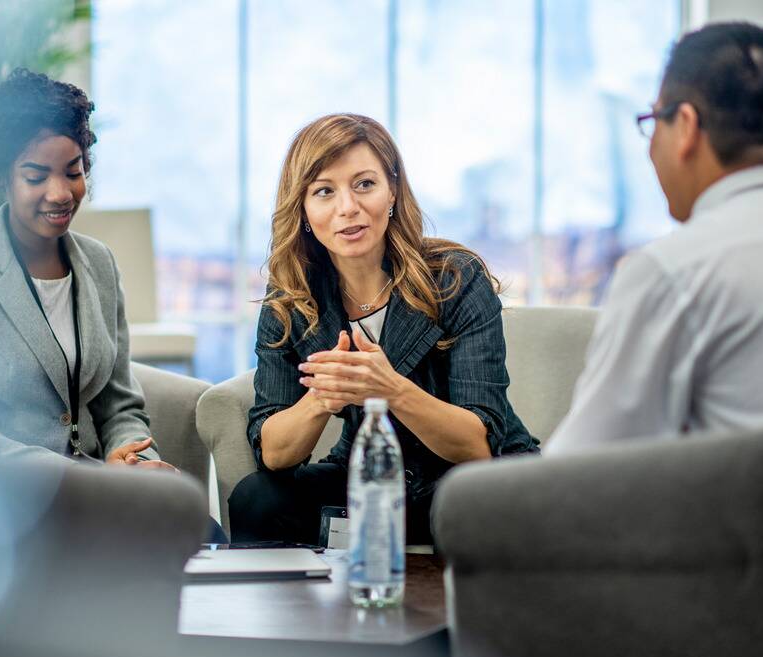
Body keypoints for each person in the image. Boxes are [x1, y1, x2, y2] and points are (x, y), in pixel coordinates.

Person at [544, 22, 763, 456]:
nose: (649, 146)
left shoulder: (673, 272)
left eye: (652, 121)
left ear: (685, 126)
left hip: (750, 522)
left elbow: (575, 476)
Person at [228, 113, 539, 545]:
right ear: (303, 209)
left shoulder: (454, 277)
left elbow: (477, 444)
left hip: (470, 481)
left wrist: (389, 389)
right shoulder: (291, 297)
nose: (347, 208)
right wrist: (322, 397)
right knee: (257, 499)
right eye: (324, 191)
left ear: (392, 190)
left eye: (364, 184)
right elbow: (275, 454)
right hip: (371, 478)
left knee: (468, 505)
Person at [0, 68, 174, 471]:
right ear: (0, 176)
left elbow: (119, 406)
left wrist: (132, 456)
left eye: (74, 172)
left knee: (200, 526)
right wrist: (76, 478)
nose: (61, 193)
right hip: (9, 493)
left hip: (98, 487)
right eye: (35, 176)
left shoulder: (99, 263)